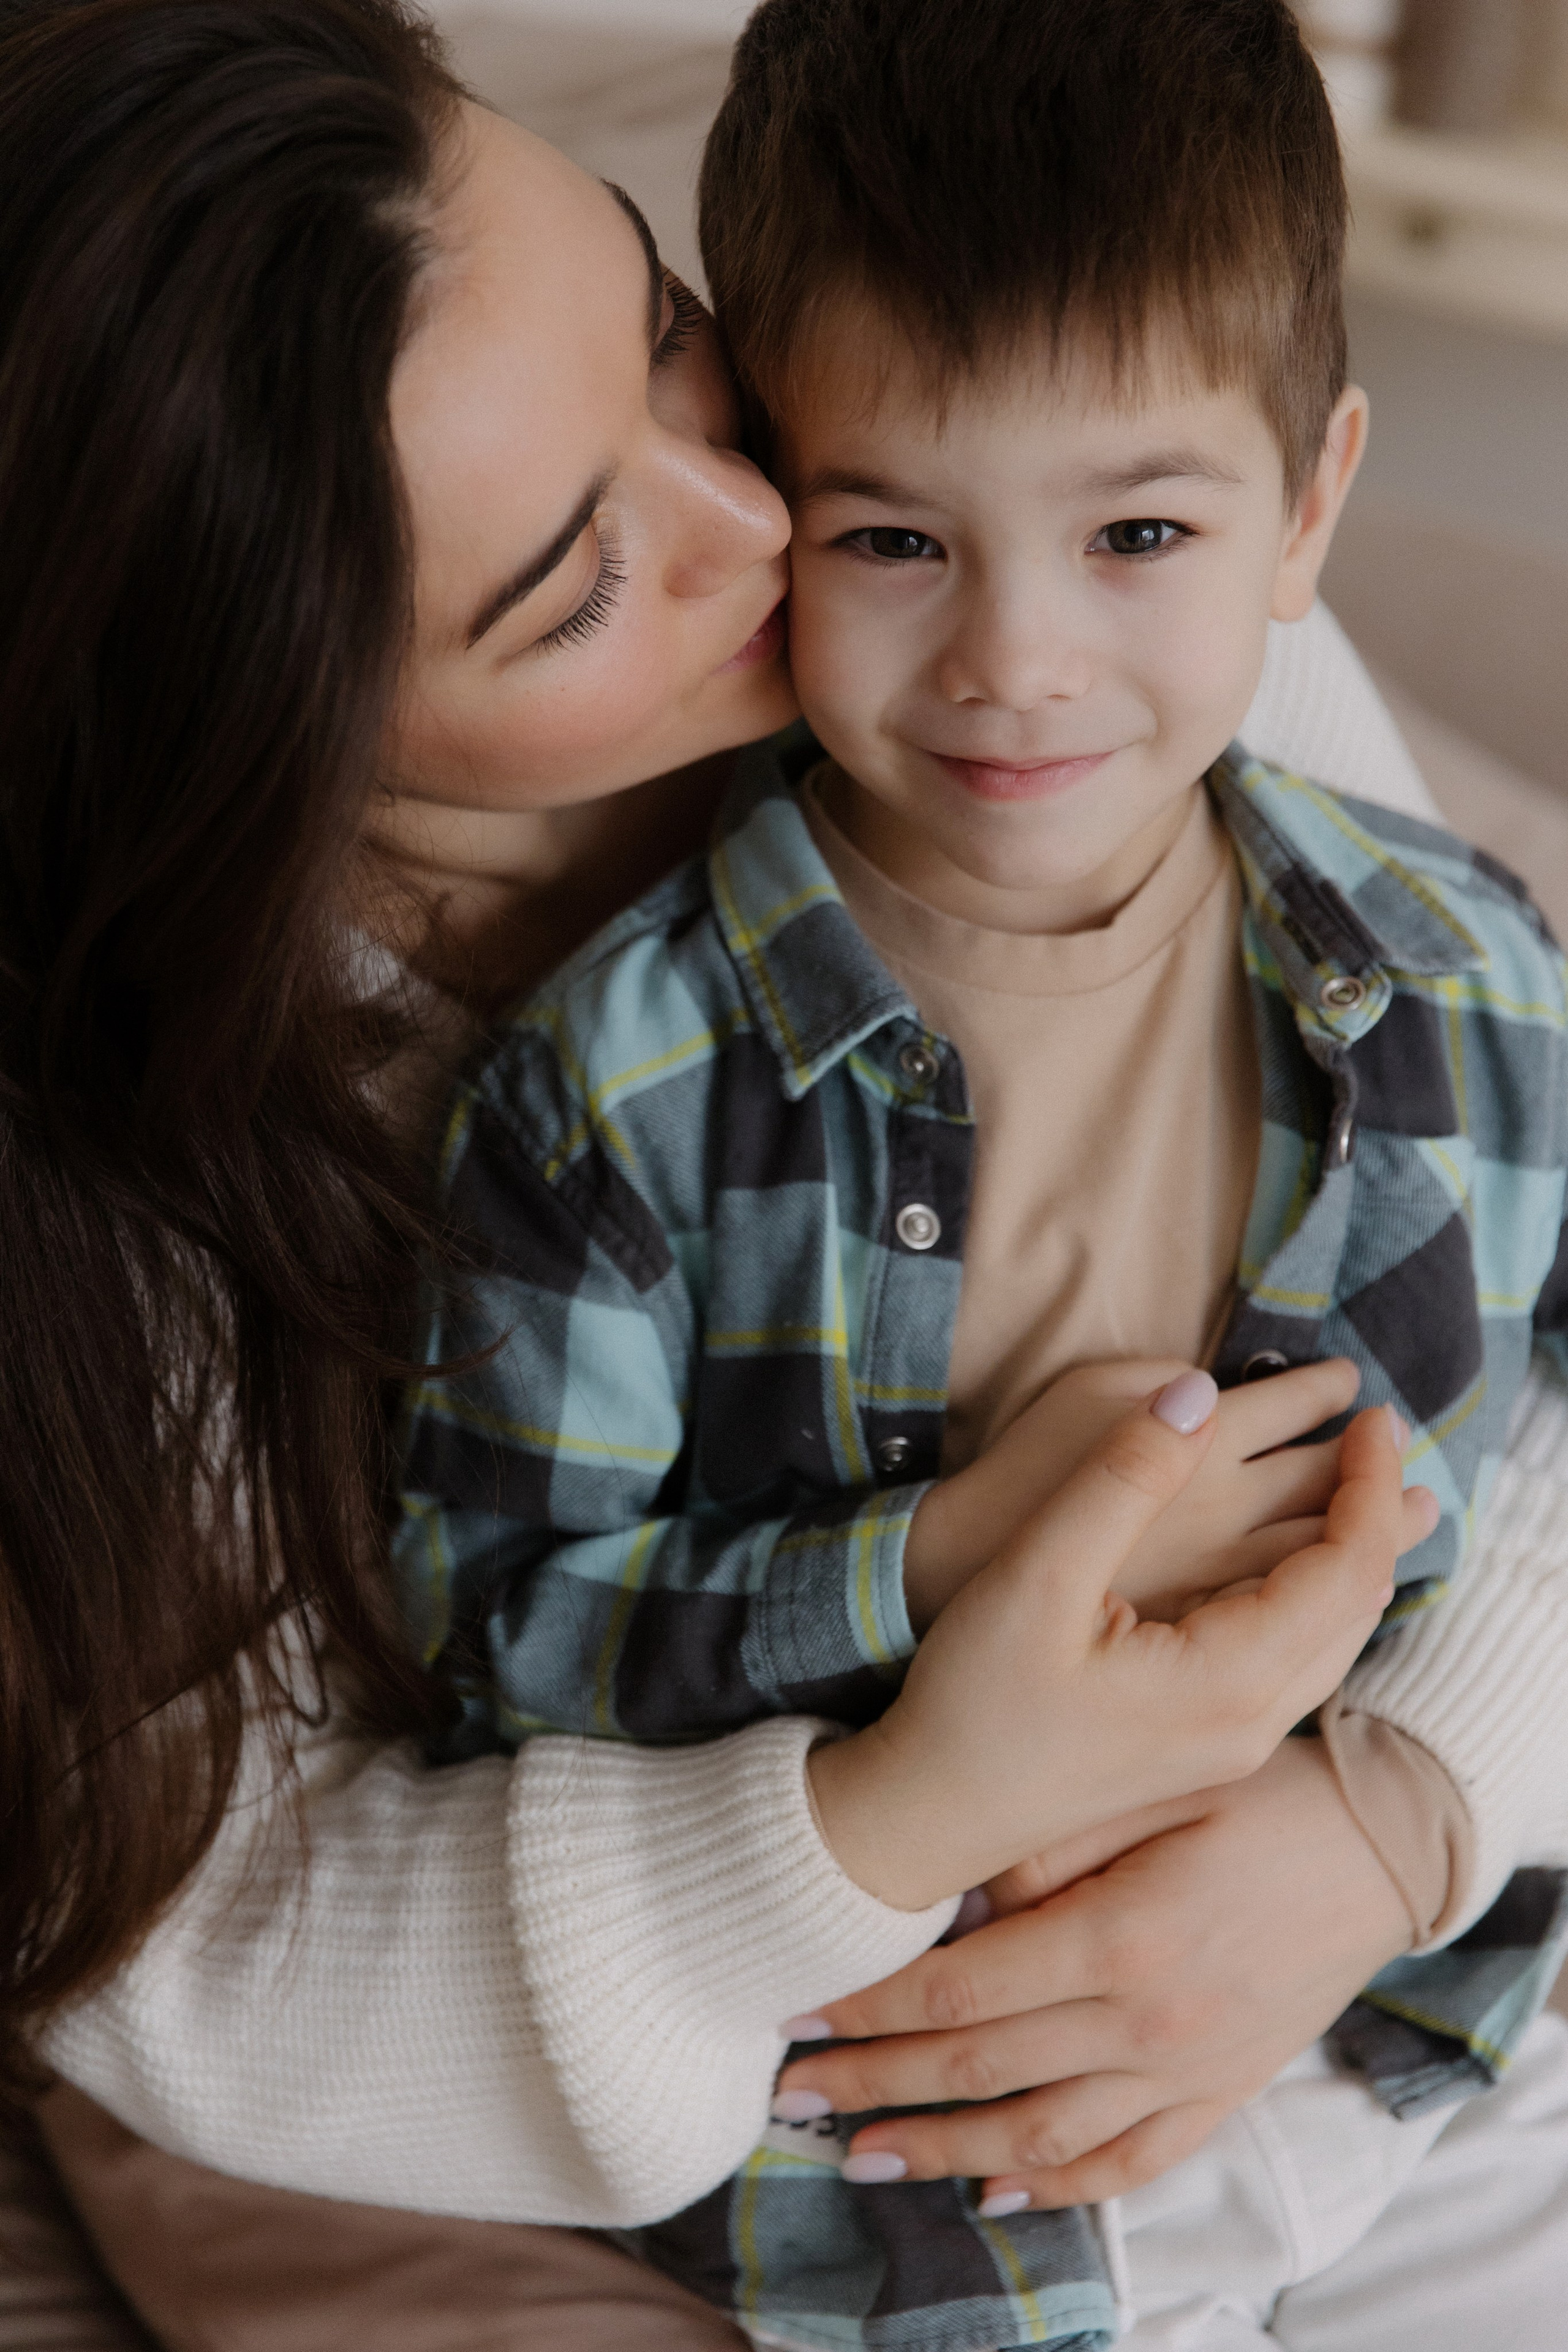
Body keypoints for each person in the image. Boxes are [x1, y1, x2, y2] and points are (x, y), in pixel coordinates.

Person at [3, 4, 1562, 2350]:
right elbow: (206, 1956)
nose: (782, 522)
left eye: (658, 337)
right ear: (273, 733)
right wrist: (913, 1783)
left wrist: (1401, 1807)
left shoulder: (1026, 544)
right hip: (518, 2065)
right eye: (569, 585)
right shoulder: (157, 1185)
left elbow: (1489, 1199)